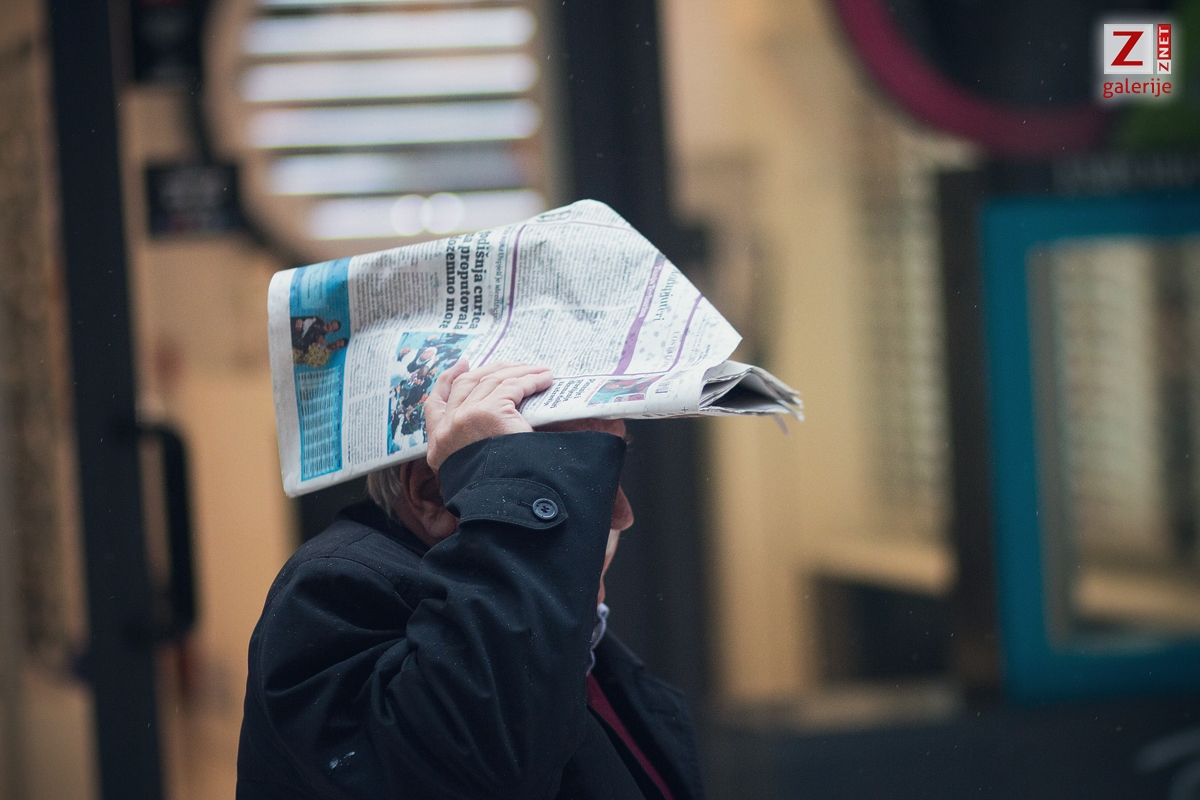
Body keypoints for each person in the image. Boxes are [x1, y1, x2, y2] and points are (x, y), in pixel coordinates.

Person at [237, 360, 705, 800]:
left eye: (608, 468)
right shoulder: (330, 595)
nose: (622, 514)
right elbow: (483, 766)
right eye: (568, 476)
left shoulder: (552, 613)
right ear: (431, 492)